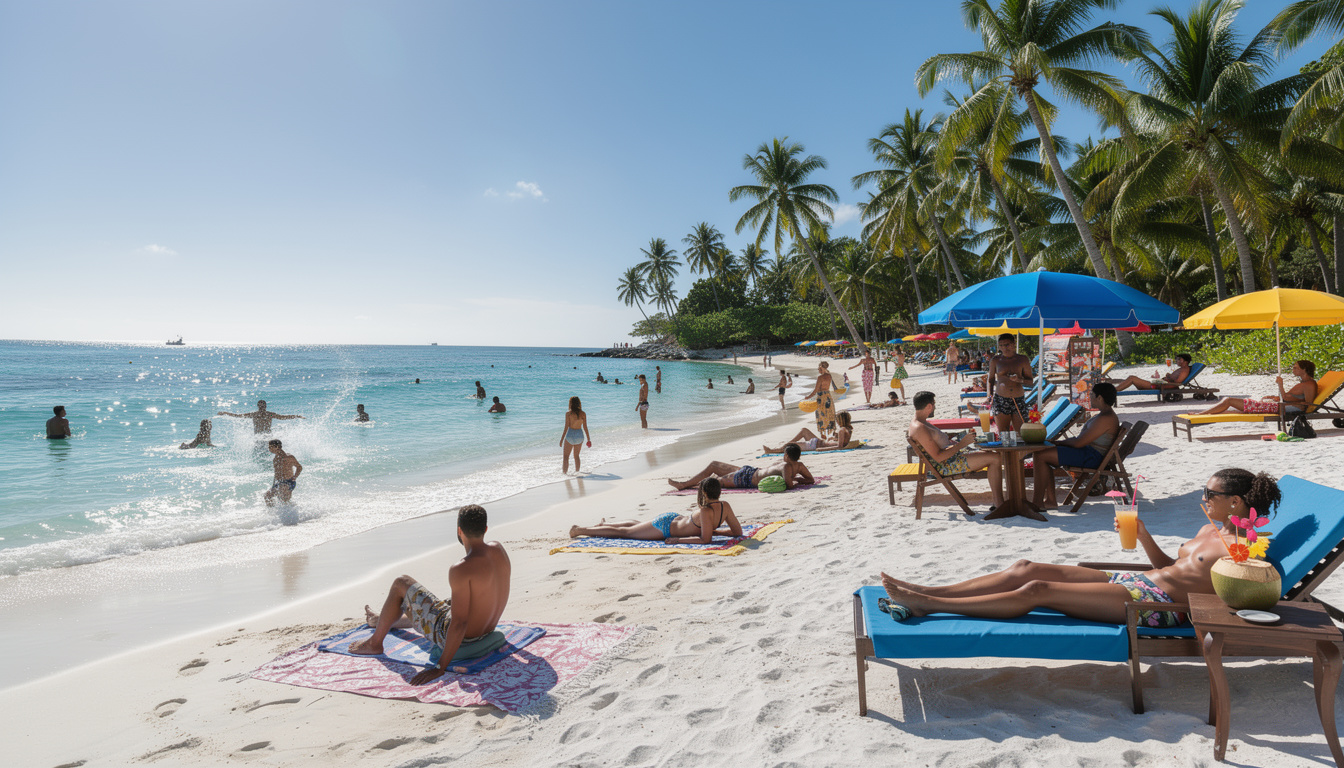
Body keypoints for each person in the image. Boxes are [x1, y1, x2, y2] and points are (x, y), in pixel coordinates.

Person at [879, 469, 1283, 629]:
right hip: (1140, 581)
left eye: (1210, 493)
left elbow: (1235, 595)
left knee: (1037, 592)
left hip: (1157, 606)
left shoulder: (1245, 549)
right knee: (1025, 567)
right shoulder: (1208, 526)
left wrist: (1242, 554)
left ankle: (927, 605)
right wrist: (1143, 536)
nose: (1204, 496)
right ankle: (930, 592)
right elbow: (1173, 568)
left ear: (1235, 501)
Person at [350, 505, 511, 685]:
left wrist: (440, 667)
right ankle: (381, 620)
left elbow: (459, 623)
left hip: (463, 635)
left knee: (401, 583)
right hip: (488, 628)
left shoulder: (461, 569)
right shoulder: (498, 549)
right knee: (444, 604)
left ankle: (375, 644)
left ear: (459, 530)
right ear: (486, 529)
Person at [908, 390, 1004, 511]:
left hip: (951, 459)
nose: (935, 407)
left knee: (992, 454)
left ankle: (999, 503)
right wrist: (962, 444)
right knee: (995, 458)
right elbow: (938, 457)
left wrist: (952, 438)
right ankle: (1000, 505)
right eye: (934, 404)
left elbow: (935, 444)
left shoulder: (920, 423)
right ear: (929, 406)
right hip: (945, 466)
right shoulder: (920, 428)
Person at [569, 478, 743, 543]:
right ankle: (579, 530)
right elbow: (708, 539)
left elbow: (732, 533)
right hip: (665, 527)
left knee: (637, 526)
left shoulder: (707, 510)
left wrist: (715, 531)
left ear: (703, 492)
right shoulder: (723, 506)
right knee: (626, 532)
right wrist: (677, 541)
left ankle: (605, 524)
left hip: (672, 521)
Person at [1031, 382, 1121, 509]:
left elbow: (1079, 443)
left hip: (1092, 457)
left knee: (1040, 456)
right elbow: (1081, 441)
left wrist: (1059, 443)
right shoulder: (1105, 415)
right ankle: (1048, 501)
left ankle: (1037, 502)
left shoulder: (1105, 418)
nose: (1090, 397)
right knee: (1043, 454)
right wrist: (1058, 443)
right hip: (1089, 453)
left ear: (1100, 398)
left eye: (1092, 395)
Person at [668, 442, 814, 491]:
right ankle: (686, 483)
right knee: (713, 465)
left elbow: (789, 485)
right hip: (750, 471)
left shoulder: (786, 467)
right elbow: (810, 480)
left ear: (787, 456)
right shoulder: (799, 466)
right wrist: (799, 480)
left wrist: (795, 481)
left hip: (745, 479)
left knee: (713, 483)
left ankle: (684, 485)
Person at [1192, 360, 1317, 416]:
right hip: (1280, 406)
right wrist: (1276, 398)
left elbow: (1308, 404)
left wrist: (1281, 386)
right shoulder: (1303, 383)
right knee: (1231, 409)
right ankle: (1204, 413)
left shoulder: (1309, 385)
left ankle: (1201, 414)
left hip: (1284, 409)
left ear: (1304, 369)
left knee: (1228, 401)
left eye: (1295, 367)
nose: (1293, 369)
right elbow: (1291, 398)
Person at [986, 334, 1034, 432]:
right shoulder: (996, 360)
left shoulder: (1022, 359)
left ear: (1013, 344)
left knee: (1021, 433)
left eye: (1006, 345)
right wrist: (989, 394)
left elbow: (1030, 381)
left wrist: (1019, 380)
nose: (1004, 348)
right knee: (1004, 433)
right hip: (1001, 399)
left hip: (1018, 399)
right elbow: (990, 379)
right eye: (1001, 345)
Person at [762, 411, 856, 454]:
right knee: (804, 430)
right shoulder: (848, 430)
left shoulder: (841, 430)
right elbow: (841, 443)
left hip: (815, 445)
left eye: (837, 420)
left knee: (790, 446)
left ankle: (772, 451)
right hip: (818, 442)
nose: (837, 422)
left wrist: (821, 450)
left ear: (841, 420)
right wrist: (833, 438)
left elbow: (839, 447)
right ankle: (780, 447)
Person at [1112, 353, 1192, 391]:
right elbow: (1175, 379)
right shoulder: (1182, 369)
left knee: (1132, 378)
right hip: (1158, 384)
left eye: (1178, 359)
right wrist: (1167, 376)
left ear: (1182, 360)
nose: (1176, 361)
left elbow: (1178, 382)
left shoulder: (1184, 370)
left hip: (1157, 386)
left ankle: (1114, 391)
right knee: (1131, 379)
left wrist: (1168, 377)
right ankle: (1115, 389)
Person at [217, 400, 304, 434]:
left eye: (263, 407)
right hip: (258, 437)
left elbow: (283, 417)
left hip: (267, 437)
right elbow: (238, 416)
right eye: (261, 407)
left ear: (265, 407)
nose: (262, 408)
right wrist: (225, 413)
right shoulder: (255, 414)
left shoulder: (269, 414)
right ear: (259, 407)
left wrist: (296, 416)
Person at [802, 361, 838, 437]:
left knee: (820, 415)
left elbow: (816, 390)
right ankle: (833, 430)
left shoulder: (820, 377)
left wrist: (808, 397)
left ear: (822, 368)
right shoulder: (829, 376)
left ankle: (822, 433)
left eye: (819, 369)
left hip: (821, 398)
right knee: (830, 413)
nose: (818, 370)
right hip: (828, 396)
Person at [263, 439, 303, 505]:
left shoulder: (288, 457)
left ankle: (294, 513)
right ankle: (272, 513)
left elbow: (299, 467)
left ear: (276, 447)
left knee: (283, 500)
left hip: (289, 482)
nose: (269, 448)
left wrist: (295, 476)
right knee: (267, 496)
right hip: (278, 483)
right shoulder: (275, 459)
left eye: (270, 447)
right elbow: (276, 473)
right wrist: (273, 486)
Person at [560, 396, 591, 474]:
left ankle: (564, 474)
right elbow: (585, 427)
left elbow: (566, 427)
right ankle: (577, 473)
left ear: (570, 403)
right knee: (576, 456)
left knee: (566, 457)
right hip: (579, 435)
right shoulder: (583, 413)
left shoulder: (568, 414)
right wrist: (588, 439)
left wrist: (562, 439)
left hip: (570, 434)